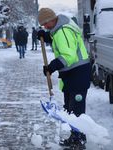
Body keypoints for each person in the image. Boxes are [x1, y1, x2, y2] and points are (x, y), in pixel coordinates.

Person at [37, 8, 91, 148]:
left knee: (77, 111)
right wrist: (46, 36)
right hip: (73, 75)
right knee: (70, 109)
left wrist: (51, 67)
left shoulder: (63, 31)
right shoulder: (58, 30)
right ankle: (75, 137)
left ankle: (79, 141)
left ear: (51, 20)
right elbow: (59, 41)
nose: (45, 27)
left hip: (78, 75)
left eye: (45, 24)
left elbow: (68, 55)